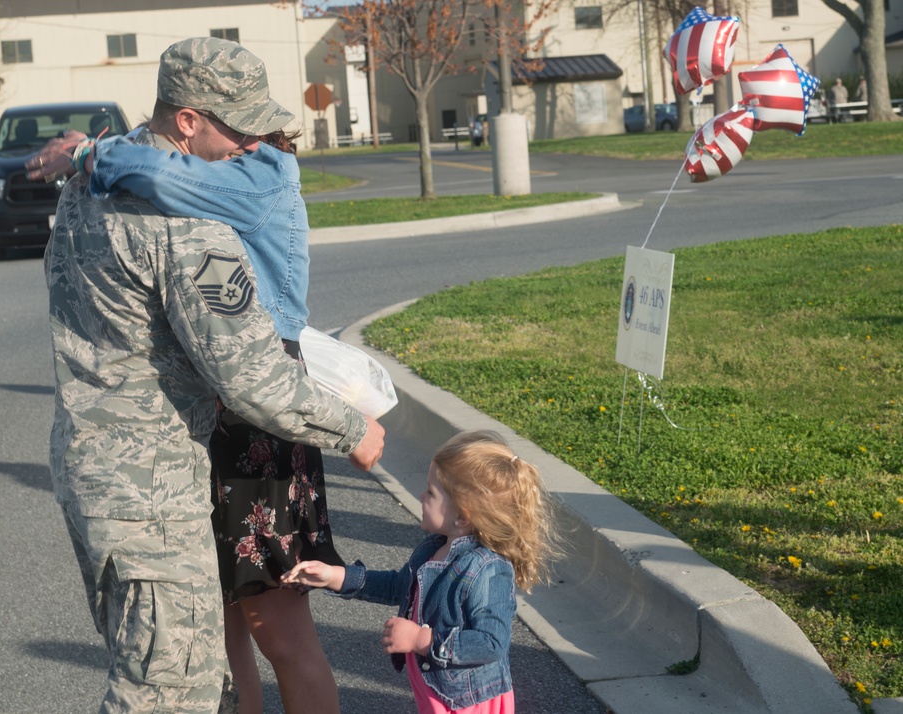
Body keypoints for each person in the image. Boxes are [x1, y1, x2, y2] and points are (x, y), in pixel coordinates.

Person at [37, 36, 385, 714]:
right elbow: (252, 377)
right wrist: (353, 427)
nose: (255, 142)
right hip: (154, 484)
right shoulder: (188, 216)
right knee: (166, 691)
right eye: (241, 124)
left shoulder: (90, 185)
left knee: (185, 666)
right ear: (188, 120)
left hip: (98, 467)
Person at [283, 430, 562, 714]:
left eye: (430, 492)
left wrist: (421, 640)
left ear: (462, 516)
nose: (420, 495)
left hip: (468, 701)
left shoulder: (488, 569)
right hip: (439, 690)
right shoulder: (432, 549)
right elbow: (398, 585)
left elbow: (491, 643)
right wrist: (336, 576)